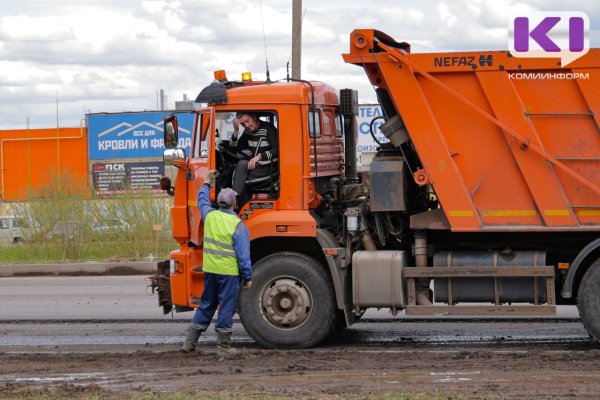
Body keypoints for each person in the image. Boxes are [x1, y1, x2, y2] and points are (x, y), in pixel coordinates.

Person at [181, 170, 252, 354]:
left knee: (207, 304)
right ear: (234, 204)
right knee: (226, 307)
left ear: (219, 203)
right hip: (228, 274)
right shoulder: (237, 225)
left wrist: (206, 182)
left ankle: (190, 343)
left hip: (210, 271)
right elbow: (243, 256)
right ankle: (223, 347)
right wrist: (248, 276)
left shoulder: (210, 216)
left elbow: (202, 201)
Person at [230, 112, 279, 202]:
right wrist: (236, 131)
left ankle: (234, 202)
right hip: (256, 167)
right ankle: (235, 201)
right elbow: (234, 149)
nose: (246, 125)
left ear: (254, 117)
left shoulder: (268, 128)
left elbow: (277, 149)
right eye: (243, 124)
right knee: (238, 169)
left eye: (247, 121)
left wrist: (259, 157)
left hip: (269, 168)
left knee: (240, 178)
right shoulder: (247, 132)